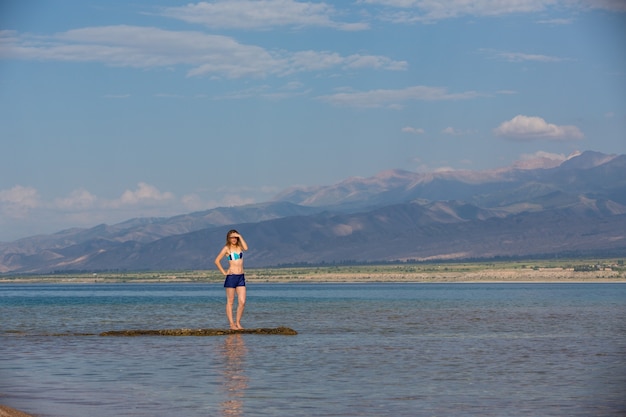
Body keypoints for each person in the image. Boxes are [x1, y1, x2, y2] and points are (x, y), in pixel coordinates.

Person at [214, 230, 248, 330]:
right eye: (231, 237)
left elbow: (246, 248)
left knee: (242, 301)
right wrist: (224, 273)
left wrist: (240, 236)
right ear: (228, 238)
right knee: (231, 301)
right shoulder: (226, 248)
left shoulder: (240, 247)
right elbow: (216, 261)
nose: (233, 239)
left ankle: (238, 322)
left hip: (241, 276)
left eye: (235, 237)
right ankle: (231, 324)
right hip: (232, 277)